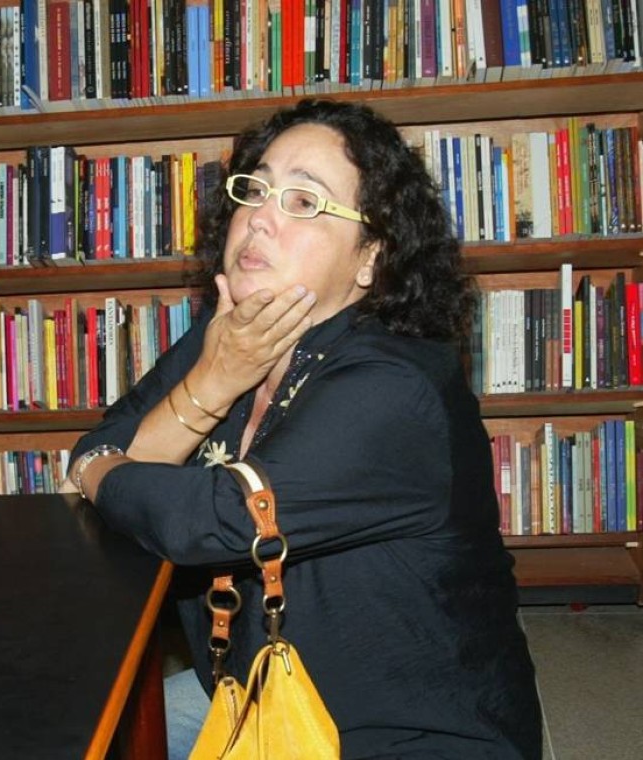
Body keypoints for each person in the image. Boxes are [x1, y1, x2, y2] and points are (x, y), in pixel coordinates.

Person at [67, 100, 542, 759]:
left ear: (370, 255)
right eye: (256, 188)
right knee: (69, 730)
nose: (261, 214)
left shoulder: (397, 386)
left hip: (399, 733)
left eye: (303, 202)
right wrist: (210, 382)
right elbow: (101, 444)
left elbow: (208, 520)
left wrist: (95, 472)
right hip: (251, 696)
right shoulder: (227, 335)